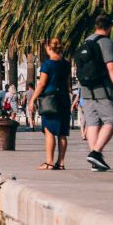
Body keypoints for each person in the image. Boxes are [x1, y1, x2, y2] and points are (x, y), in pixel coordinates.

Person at [74, 14, 113, 171]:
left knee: (92, 123)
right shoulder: (105, 43)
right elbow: (112, 67)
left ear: (96, 25)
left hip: (86, 90)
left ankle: (95, 160)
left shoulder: (86, 42)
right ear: (110, 27)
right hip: (102, 89)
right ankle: (96, 153)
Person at [30, 38, 72, 170]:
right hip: (64, 99)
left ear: (49, 48)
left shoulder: (47, 64)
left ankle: (49, 162)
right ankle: (61, 163)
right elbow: (68, 84)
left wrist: (32, 100)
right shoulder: (66, 64)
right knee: (62, 133)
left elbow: (42, 83)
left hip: (50, 100)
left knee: (49, 131)